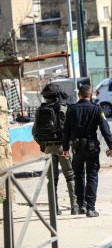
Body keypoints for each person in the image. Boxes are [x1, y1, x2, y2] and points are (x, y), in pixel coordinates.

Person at [62, 85, 112, 217]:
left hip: (77, 148)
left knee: (78, 176)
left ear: (79, 95)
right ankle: (91, 207)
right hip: (92, 148)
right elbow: (105, 129)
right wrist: (111, 146)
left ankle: (81, 206)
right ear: (90, 95)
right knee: (92, 176)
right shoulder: (97, 109)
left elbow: (66, 130)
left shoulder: (72, 109)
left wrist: (65, 148)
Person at [32, 83, 79, 215]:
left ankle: (55, 208)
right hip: (62, 147)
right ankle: (74, 207)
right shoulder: (64, 109)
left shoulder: (40, 110)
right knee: (70, 176)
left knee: (52, 179)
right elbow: (72, 130)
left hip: (48, 148)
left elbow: (34, 132)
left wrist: (43, 145)